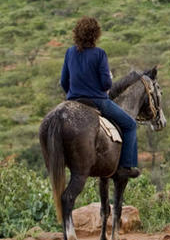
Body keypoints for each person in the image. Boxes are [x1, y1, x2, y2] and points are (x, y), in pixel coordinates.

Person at [60, 16, 140, 179]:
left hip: (74, 101)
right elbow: (105, 84)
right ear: (96, 34)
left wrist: (73, 95)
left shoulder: (70, 52)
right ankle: (126, 166)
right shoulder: (99, 54)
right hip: (97, 100)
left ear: (77, 34)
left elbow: (63, 81)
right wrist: (107, 79)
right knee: (130, 125)